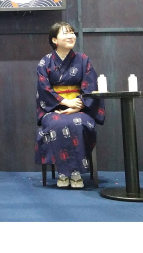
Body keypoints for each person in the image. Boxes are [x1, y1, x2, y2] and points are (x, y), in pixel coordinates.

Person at [35, 22, 105, 188]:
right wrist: (65, 102)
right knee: (57, 123)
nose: (71, 36)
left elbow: (91, 85)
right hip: (54, 109)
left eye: (72, 33)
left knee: (79, 123)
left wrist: (78, 105)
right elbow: (44, 89)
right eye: (65, 33)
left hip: (80, 107)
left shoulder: (83, 60)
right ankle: (64, 172)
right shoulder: (45, 62)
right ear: (54, 40)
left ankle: (75, 173)